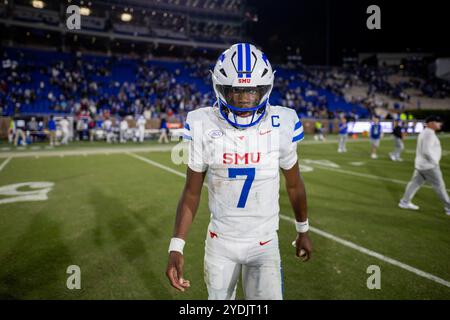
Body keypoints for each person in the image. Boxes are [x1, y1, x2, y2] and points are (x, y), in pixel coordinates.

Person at [165, 43, 312, 300]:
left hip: (264, 242)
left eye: (252, 90)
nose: (244, 98)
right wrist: (176, 246)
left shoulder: (283, 122)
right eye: (236, 91)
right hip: (220, 242)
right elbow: (191, 192)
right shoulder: (202, 122)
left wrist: (303, 230)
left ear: (264, 88)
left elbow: (294, 184)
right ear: (221, 88)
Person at [399, 116, 450, 216]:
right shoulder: (429, 134)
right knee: (440, 187)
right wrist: (434, 162)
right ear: (430, 123)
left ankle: (404, 202)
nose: (440, 124)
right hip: (429, 166)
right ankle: (448, 207)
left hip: (421, 165)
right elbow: (426, 151)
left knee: (414, 184)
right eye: (437, 122)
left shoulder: (426, 132)